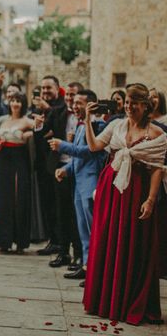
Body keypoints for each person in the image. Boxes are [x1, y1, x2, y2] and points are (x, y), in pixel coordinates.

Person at [82, 83, 166, 325]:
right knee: (108, 240)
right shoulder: (116, 125)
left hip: (137, 193)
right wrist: (87, 120)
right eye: (127, 102)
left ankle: (128, 300)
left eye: (134, 103)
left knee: (133, 244)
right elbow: (94, 146)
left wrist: (150, 200)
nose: (129, 107)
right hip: (112, 190)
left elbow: (157, 170)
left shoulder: (157, 134)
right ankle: (106, 300)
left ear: (145, 105)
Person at [49, 89, 107, 281]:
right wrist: (66, 169)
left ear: (91, 105)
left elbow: (89, 151)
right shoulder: (82, 126)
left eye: (79, 103)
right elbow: (77, 158)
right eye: (73, 102)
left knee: (92, 228)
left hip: (90, 182)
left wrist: (62, 146)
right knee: (82, 228)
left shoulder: (98, 125)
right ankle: (85, 264)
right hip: (78, 182)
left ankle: (96, 270)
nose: (74, 106)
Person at [0, 92, 34, 253]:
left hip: (19, 159)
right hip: (2, 160)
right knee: (2, 198)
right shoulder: (4, 120)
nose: (15, 104)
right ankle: (3, 240)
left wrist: (28, 133)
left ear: (23, 104)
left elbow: (41, 129)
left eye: (19, 101)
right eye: (13, 101)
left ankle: (20, 241)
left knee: (19, 197)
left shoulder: (27, 120)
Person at [32, 75, 71, 259]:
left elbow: (60, 129)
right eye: (43, 88)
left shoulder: (63, 107)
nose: (45, 91)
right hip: (43, 162)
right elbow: (40, 135)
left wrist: (48, 111)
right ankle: (52, 239)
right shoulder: (39, 108)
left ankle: (61, 243)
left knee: (59, 207)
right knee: (47, 203)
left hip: (60, 163)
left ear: (57, 89)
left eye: (49, 88)